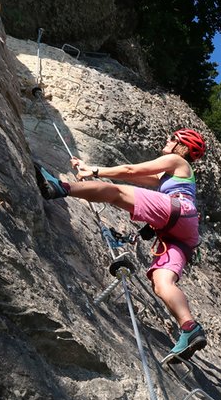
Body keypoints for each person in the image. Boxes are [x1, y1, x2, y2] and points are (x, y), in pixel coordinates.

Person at [35, 128, 208, 363]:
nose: (167, 140)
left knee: (115, 193)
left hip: (178, 212)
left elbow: (130, 170)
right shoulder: (168, 176)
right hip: (183, 234)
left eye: (172, 138)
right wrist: (88, 167)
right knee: (161, 282)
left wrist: (94, 171)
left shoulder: (177, 161)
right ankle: (190, 328)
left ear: (182, 146)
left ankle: (60, 187)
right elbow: (133, 177)